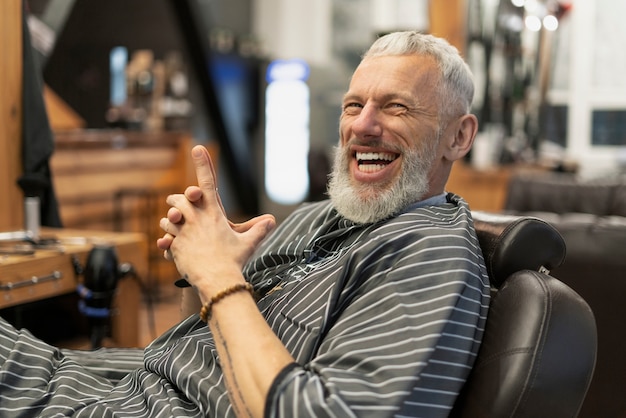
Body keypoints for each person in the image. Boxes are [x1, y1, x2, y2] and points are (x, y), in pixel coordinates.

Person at [0, 31, 488, 418]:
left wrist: (219, 274)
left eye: (396, 106)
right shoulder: (322, 217)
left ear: (459, 135)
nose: (362, 125)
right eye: (354, 105)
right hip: (131, 381)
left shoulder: (429, 253)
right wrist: (200, 269)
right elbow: (209, 334)